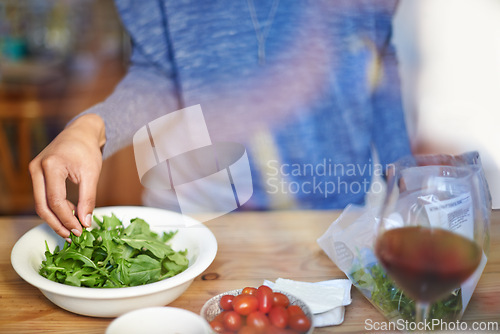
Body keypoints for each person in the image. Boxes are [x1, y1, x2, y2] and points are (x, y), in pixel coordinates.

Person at [29, 0, 412, 241]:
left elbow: (377, 52)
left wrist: (408, 180)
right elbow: (160, 73)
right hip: (208, 217)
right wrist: (90, 128)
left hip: (337, 214)